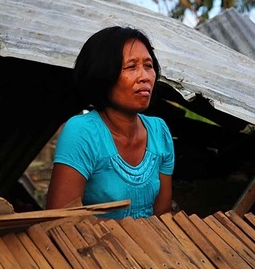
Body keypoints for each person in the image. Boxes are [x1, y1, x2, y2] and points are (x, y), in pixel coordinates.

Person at [46, 26, 174, 219]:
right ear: (103, 75)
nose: (145, 77)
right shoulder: (82, 132)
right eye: (131, 67)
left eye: (148, 66)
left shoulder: (159, 132)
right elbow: (59, 222)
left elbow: (163, 215)